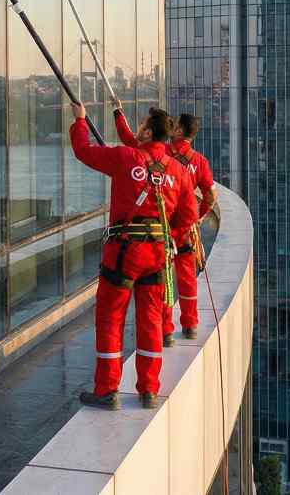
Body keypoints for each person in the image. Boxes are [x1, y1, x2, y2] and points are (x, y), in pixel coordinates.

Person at [69, 102, 198, 410]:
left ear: (149, 131)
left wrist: (80, 121)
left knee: (111, 318)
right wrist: (168, 236)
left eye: (141, 125)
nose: (137, 129)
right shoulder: (178, 171)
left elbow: (84, 151)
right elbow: (187, 216)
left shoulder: (126, 157)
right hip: (156, 253)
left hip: (124, 251)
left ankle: (107, 389)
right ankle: (148, 391)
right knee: (151, 322)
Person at [112, 102, 217, 344]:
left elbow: (130, 140)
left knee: (164, 278)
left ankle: (167, 330)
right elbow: (210, 195)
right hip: (187, 228)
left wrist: (118, 113)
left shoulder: (163, 153)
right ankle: (190, 325)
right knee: (187, 278)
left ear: (178, 131)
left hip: (164, 227)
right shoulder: (199, 161)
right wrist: (199, 216)